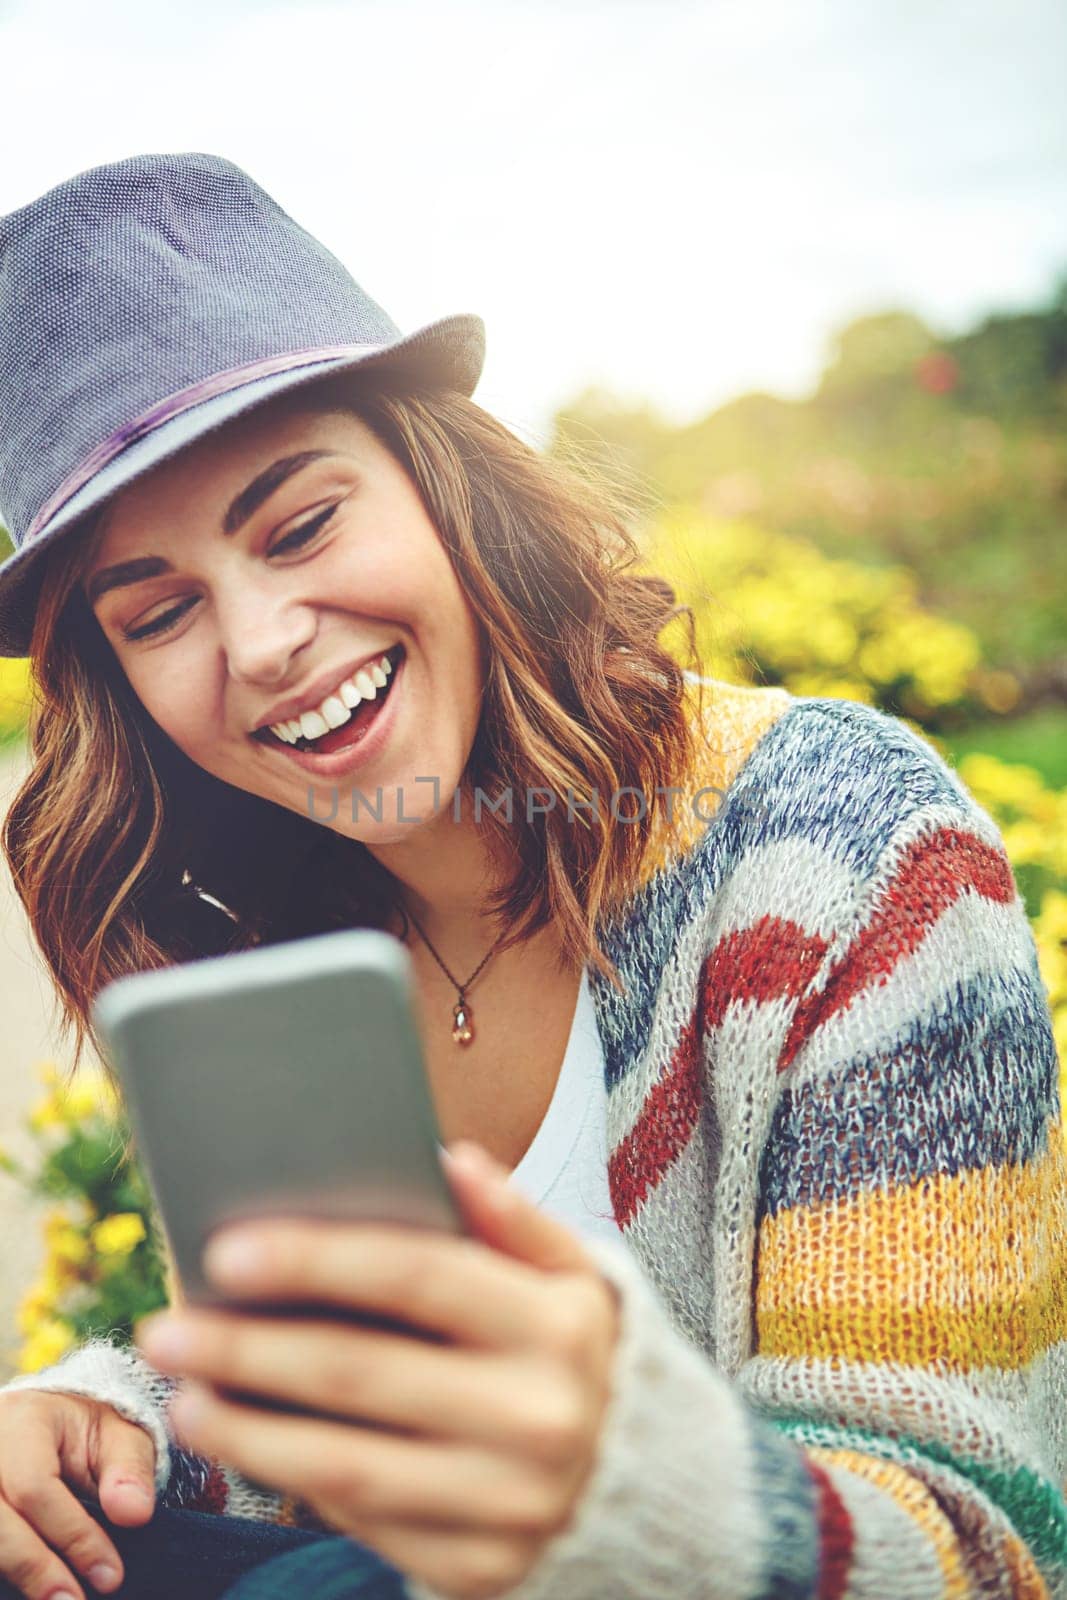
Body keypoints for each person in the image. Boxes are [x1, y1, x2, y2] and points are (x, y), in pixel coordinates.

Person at [0, 150, 1063, 1600]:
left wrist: (629, 1488)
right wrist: (100, 1419)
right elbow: (330, 1457)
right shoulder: (241, 939)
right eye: (159, 611)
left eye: (301, 524)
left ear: (450, 489)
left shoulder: (848, 850)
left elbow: (983, 1558)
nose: (257, 645)